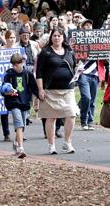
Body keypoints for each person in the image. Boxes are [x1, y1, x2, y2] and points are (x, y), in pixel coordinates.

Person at [36, 27, 77, 155]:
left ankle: (67, 142)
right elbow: (39, 72)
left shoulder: (69, 51)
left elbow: (74, 66)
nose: (57, 38)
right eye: (54, 36)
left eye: (59, 35)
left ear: (63, 37)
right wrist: (40, 89)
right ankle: (51, 145)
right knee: (51, 117)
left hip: (68, 90)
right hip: (50, 90)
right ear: (51, 38)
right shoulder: (45, 52)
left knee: (71, 114)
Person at [2, 53, 38, 158]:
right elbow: (3, 89)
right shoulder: (9, 75)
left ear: (21, 63)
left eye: (16, 64)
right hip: (13, 102)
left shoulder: (27, 74)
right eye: (13, 65)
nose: (14, 67)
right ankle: (21, 148)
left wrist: (38, 99)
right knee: (19, 123)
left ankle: (16, 141)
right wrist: (8, 92)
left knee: (22, 125)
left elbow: (34, 88)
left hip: (24, 102)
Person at [77, 19, 100, 131]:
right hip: (83, 73)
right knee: (86, 97)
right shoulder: (79, 42)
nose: (88, 27)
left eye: (90, 25)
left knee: (93, 100)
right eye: (86, 25)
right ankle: (83, 120)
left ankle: (90, 121)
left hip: (95, 73)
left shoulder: (98, 42)